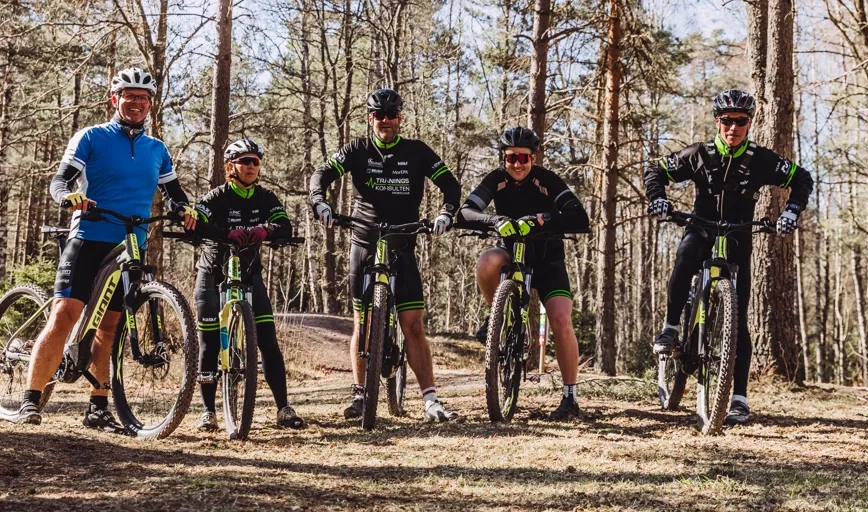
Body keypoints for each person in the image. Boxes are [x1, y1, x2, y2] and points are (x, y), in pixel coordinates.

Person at [15, 67, 196, 429]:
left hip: (132, 242)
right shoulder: (92, 137)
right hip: (89, 236)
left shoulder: (157, 149)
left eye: (143, 98)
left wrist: (184, 210)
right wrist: (68, 196)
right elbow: (60, 179)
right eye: (129, 96)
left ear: (150, 104)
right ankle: (30, 401)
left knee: (110, 327)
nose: (137, 103)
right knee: (65, 314)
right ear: (115, 99)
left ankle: (98, 407)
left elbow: (174, 193)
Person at [644, 89, 813, 425]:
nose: (733, 127)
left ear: (750, 123)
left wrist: (791, 212)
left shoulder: (761, 159)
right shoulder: (699, 154)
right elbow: (655, 171)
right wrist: (658, 198)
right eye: (727, 120)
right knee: (685, 259)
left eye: (740, 121)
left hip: (738, 236)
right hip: (701, 228)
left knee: (739, 319)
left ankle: (739, 399)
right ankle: (671, 327)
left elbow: (802, 179)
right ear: (716, 121)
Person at [308, 88, 462, 422]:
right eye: (379, 115)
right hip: (363, 241)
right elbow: (321, 174)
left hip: (402, 243)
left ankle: (431, 401)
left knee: (414, 326)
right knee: (361, 323)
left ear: (400, 118)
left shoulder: (417, 151)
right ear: (370, 118)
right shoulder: (357, 149)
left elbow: (451, 185)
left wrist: (446, 213)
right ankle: (360, 395)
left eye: (392, 115)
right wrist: (320, 202)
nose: (386, 121)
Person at [459, 126, 589, 420]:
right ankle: (496, 316)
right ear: (503, 158)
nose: (517, 164)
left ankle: (570, 396)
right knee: (488, 260)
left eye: (523, 158)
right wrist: (494, 220)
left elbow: (578, 216)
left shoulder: (547, 180)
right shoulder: (496, 179)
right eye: (511, 158)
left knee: (561, 319)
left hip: (547, 260)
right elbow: (466, 211)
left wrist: (544, 218)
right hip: (511, 254)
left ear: (533, 157)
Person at [189, 138, 305, 431]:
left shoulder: (265, 197)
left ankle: (284, 408)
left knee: (267, 340)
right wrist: (226, 234)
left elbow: (285, 225)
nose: (251, 166)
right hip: (212, 274)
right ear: (231, 166)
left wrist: (265, 229)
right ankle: (208, 412)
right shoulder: (217, 196)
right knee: (209, 343)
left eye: (255, 161)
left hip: (250, 274)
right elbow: (196, 222)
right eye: (245, 161)